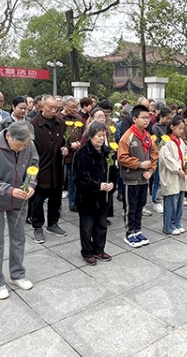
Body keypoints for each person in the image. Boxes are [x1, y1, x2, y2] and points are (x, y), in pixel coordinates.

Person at [0, 120, 38, 299]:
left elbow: (34, 166)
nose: (23, 149)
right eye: (20, 145)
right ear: (9, 137)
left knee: (19, 237)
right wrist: (10, 190)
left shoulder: (29, 144)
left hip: (19, 199)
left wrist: (31, 185)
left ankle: (17, 274)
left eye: (26, 145)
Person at [73, 122, 115, 265]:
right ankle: (87, 251)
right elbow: (79, 178)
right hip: (87, 197)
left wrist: (112, 184)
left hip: (103, 197)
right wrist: (97, 186)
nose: (101, 138)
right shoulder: (81, 153)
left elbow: (114, 172)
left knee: (101, 225)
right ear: (90, 136)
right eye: (98, 136)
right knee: (87, 226)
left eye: (103, 135)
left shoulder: (108, 152)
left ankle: (99, 249)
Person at [117, 104, 158, 247]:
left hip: (144, 178)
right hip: (131, 178)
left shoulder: (147, 136)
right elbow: (122, 158)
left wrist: (150, 171)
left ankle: (138, 230)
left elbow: (155, 154)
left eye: (148, 118)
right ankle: (129, 233)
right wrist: (140, 164)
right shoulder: (127, 136)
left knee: (141, 205)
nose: (147, 120)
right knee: (131, 207)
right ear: (134, 119)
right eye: (143, 118)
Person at [30, 95, 68, 243]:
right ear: (41, 107)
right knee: (37, 201)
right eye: (50, 108)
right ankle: (37, 227)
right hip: (40, 169)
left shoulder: (61, 123)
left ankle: (53, 224)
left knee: (56, 199)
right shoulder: (33, 124)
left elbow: (64, 142)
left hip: (56, 168)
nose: (53, 111)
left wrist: (65, 148)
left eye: (56, 108)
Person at [158, 115, 187, 235]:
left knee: (179, 201)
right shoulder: (165, 141)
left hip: (181, 176)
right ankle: (168, 226)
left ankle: (177, 223)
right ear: (172, 127)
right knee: (171, 201)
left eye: (183, 129)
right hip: (171, 176)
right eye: (179, 128)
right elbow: (166, 158)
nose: (181, 131)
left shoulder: (180, 141)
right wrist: (178, 169)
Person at [61, 97, 83, 212]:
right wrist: (69, 145)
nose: (75, 109)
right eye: (72, 107)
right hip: (62, 155)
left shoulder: (78, 118)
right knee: (61, 180)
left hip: (75, 155)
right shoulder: (59, 118)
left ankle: (73, 203)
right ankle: (57, 207)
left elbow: (83, 134)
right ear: (64, 106)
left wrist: (80, 143)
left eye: (76, 107)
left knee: (73, 179)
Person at [150, 107, 173, 212]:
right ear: (161, 117)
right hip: (159, 155)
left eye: (170, 119)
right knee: (158, 180)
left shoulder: (168, 127)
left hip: (167, 155)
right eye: (167, 118)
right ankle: (156, 201)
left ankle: (162, 198)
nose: (168, 121)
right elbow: (156, 143)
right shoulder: (155, 128)